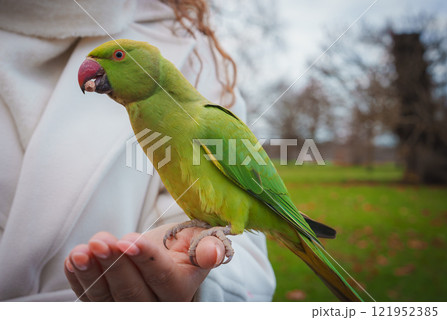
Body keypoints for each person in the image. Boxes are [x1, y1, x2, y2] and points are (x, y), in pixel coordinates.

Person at [0, 0, 276, 301]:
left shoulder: (198, 52)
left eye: (118, 55)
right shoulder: (137, 114)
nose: (95, 67)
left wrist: (199, 285)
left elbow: (249, 265)